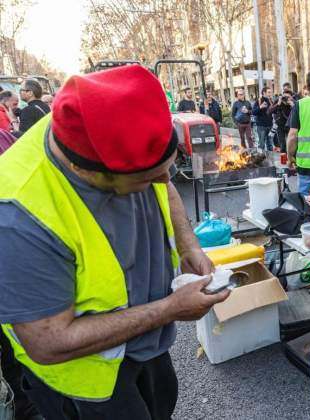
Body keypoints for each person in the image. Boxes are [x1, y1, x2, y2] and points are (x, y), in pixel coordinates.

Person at [0, 65, 230, 420]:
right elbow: (47, 343)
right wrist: (169, 309)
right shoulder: (19, 217)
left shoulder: (100, 129)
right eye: (149, 179)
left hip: (145, 347)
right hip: (88, 383)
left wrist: (188, 246)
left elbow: (161, 182)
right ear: (92, 173)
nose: (166, 180)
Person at [269, 88, 295, 153]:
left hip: (290, 125)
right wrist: (278, 103)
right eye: (284, 97)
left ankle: (292, 157)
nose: (286, 98)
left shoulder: (293, 102)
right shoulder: (278, 101)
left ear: (291, 97)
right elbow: (269, 111)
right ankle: (283, 158)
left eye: (288, 97)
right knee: (282, 144)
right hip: (280, 125)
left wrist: (293, 105)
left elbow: (300, 113)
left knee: (291, 143)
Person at [252, 87, 274, 151]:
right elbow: (253, 112)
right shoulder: (259, 101)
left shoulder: (271, 101)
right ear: (264, 93)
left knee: (270, 144)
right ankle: (261, 159)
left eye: (270, 92)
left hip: (270, 125)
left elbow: (274, 111)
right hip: (261, 127)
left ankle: (271, 159)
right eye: (269, 92)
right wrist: (260, 107)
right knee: (261, 144)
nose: (270, 94)